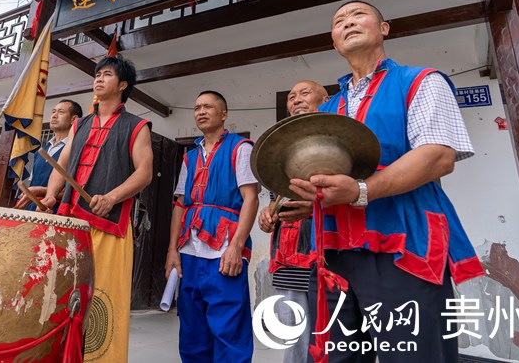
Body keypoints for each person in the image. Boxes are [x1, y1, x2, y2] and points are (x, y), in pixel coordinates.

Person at [289, 0, 484, 362]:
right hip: (333, 252)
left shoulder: (420, 81)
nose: (348, 22)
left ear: (384, 28)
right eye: (339, 21)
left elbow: (438, 155)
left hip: (404, 244)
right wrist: (309, 199)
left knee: (413, 355)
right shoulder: (328, 109)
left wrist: (360, 190)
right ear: (334, 42)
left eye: (358, 15)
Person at [42, 55, 153, 363]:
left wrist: (112, 197)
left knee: (104, 298)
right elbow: (62, 164)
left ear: (123, 85)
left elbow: (144, 173)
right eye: (97, 74)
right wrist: (51, 195)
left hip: (109, 225)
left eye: (107, 74)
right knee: (62, 293)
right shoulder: (79, 124)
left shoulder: (137, 125)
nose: (99, 79)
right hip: (71, 221)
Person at [165, 90, 259, 363]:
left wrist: (236, 247)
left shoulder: (240, 148)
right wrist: (172, 251)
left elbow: (251, 198)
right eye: (197, 108)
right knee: (192, 332)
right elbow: (180, 205)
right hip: (189, 253)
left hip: (224, 251)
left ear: (224, 114)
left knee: (229, 330)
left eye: (208, 106)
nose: (201, 112)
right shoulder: (190, 157)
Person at [257, 80, 328, 363]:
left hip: (325, 251)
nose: (296, 100)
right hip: (288, 252)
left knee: (331, 331)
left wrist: (315, 207)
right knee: (295, 330)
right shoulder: (281, 146)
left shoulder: (336, 138)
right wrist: (268, 214)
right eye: (291, 97)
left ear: (325, 100)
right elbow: (276, 198)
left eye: (305, 93)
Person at [14, 99, 83, 213]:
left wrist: (40, 191)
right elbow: (33, 182)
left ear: (74, 119)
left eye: (61, 112)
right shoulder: (41, 151)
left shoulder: (77, 150)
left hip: (56, 211)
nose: (54, 116)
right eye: (53, 112)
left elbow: (76, 191)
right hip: (31, 209)